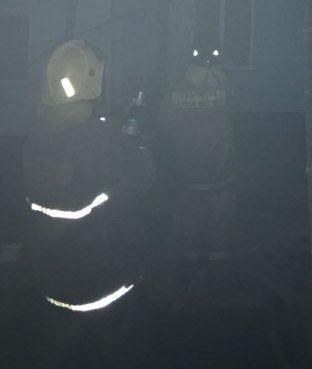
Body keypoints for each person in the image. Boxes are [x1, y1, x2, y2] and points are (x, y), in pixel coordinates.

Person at [22, 40, 153, 367]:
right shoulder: (97, 140)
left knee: (60, 340)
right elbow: (138, 183)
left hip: (50, 267)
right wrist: (136, 148)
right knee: (105, 344)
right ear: (91, 80)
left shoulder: (39, 130)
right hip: (97, 273)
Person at [159, 45, 237, 282]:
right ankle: (219, 264)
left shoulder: (176, 88)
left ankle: (191, 260)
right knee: (220, 214)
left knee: (191, 213)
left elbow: (164, 124)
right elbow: (237, 112)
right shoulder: (227, 87)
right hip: (221, 165)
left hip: (188, 167)